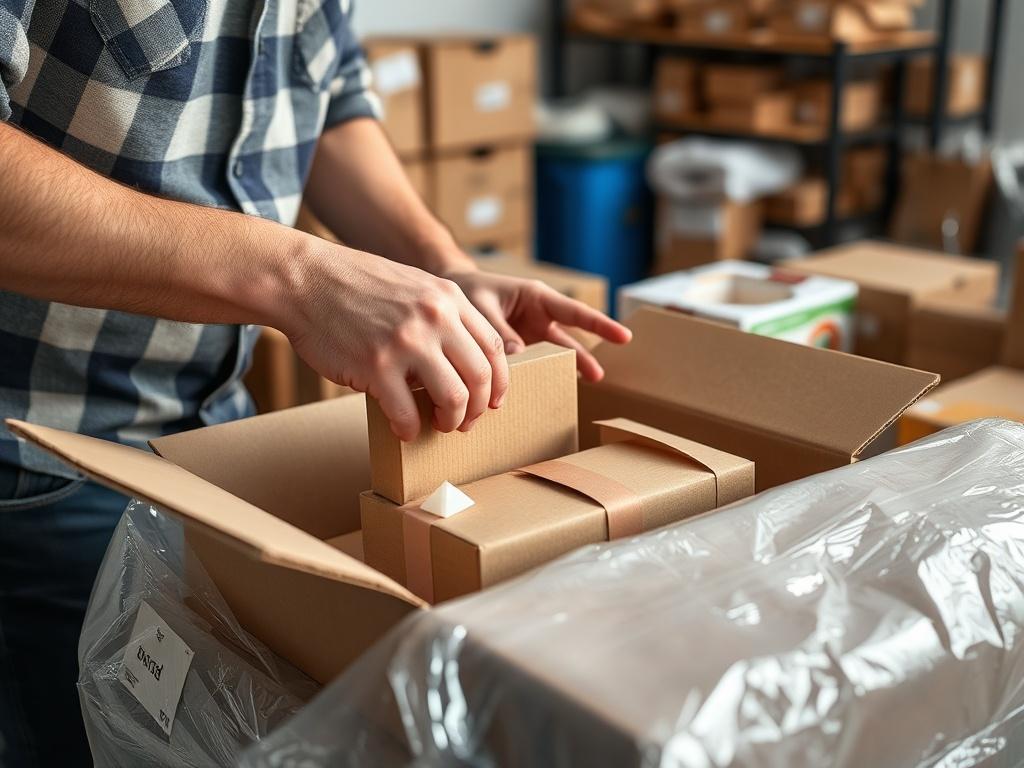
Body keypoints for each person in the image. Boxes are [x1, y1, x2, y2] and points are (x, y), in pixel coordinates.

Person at [0, 0, 631, 764]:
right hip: (37, 455)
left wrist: (443, 266)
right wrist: (298, 274)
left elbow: (328, 94)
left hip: (212, 441)